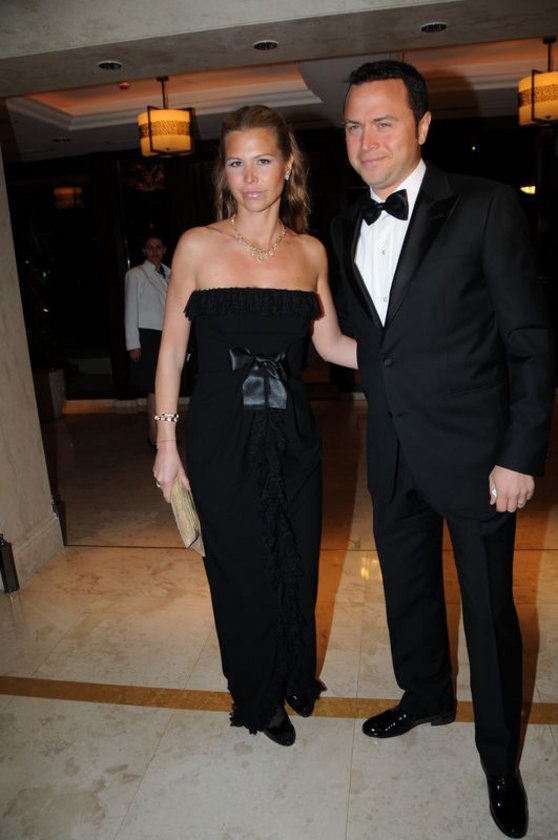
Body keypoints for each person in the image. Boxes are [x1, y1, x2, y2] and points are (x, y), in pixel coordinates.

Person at [330, 60, 554, 838]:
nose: (366, 140)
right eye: (353, 126)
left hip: (478, 457)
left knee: (489, 614)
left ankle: (500, 761)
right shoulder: (344, 226)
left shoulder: (487, 207)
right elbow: (375, 345)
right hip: (392, 455)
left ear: (423, 125)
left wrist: (520, 455)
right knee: (408, 594)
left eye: (383, 122)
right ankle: (424, 697)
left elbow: (531, 343)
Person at [153, 105, 357, 747]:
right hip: (222, 436)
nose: (249, 177)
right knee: (241, 569)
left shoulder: (310, 252)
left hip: (293, 435)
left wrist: (406, 352)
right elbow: (171, 352)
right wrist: (166, 443)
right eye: (236, 163)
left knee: (296, 559)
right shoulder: (197, 246)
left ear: (288, 165)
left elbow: (330, 345)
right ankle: (259, 695)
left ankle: (295, 672)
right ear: (224, 172)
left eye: (263, 160)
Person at [124, 232, 170, 449]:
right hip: (148, 336)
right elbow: (130, 310)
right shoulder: (136, 274)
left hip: (167, 335)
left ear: (164, 250)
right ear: (144, 251)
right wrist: (133, 343)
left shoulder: (170, 274)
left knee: (166, 388)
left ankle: (165, 432)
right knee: (155, 389)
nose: (154, 251)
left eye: (158, 247)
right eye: (150, 248)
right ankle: (155, 434)